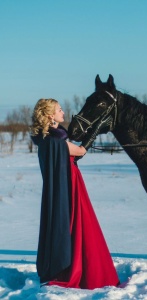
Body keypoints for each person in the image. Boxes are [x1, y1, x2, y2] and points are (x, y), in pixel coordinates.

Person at [31, 98, 119, 289]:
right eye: (59, 110)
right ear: (50, 115)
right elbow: (79, 151)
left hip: (63, 185)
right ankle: (81, 269)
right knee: (80, 222)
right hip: (69, 185)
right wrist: (94, 132)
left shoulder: (46, 139)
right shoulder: (56, 139)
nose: (63, 113)